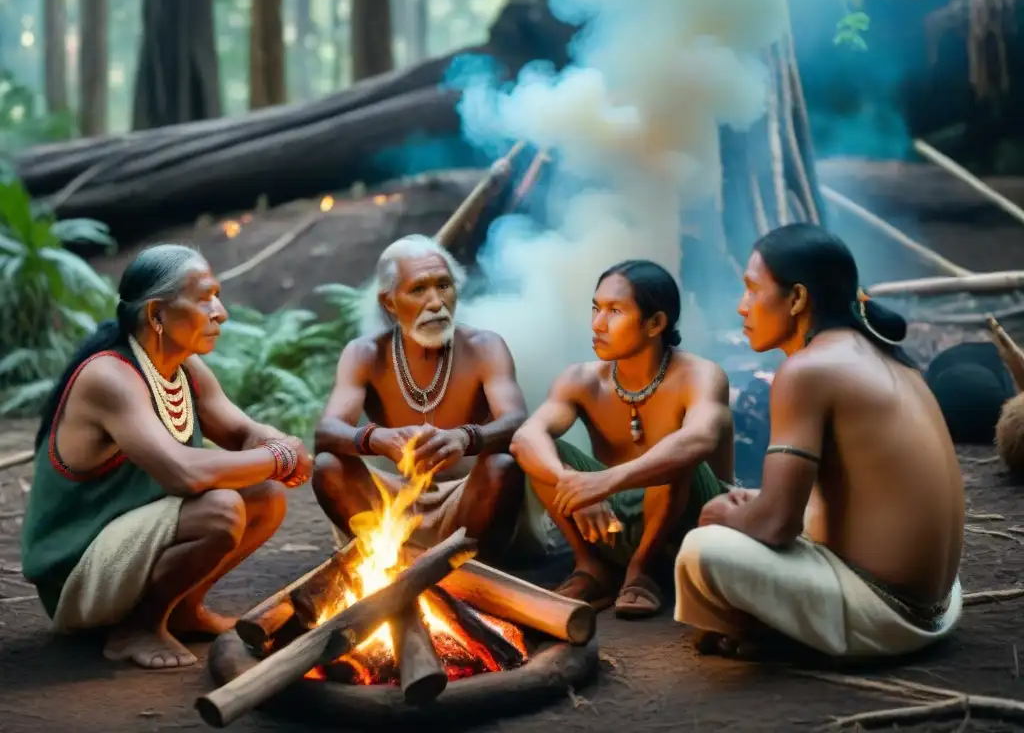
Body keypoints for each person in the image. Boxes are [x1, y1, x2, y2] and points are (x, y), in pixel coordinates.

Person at [675, 224, 964, 660]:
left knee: (702, 547)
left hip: (887, 614)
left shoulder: (806, 370)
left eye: (752, 290)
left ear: (797, 299)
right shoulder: (885, 354)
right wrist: (756, 504)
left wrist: (720, 514)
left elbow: (777, 525)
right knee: (751, 502)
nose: (741, 307)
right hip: (940, 606)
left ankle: (771, 635)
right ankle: (773, 626)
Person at [20, 245, 312, 670]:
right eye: (205, 298)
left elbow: (242, 432)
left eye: (218, 296)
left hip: (125, 547)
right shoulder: (109, 377)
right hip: (75, 573)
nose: (221, 312)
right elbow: (184, 473)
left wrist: (282, 444)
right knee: (222, 510)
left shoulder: (183, 369)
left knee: (265, 495)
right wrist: (278, 457)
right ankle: (136, 629)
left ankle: (181, 611)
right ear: (157, 315)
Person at [510, 259, 734, 619]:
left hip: (694, 529)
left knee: (675, 452)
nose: (598, 324)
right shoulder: (582, 379)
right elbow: (526, 437)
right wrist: (569, 482)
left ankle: (640, 572)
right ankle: (590, 566)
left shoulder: (701, 375)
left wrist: (602, 482)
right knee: (544, 452)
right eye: (596, 308)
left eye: (615, 311)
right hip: (612, 522)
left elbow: (699, 439)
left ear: (656, 323)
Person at [312, 235, 527, 558]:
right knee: (328, 466)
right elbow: (327, 433)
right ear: (389, 302)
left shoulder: (484, 346)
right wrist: (379, 439)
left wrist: (464, 438)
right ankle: (392, 562)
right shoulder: (365, 353)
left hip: (468, 497)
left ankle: (470, 571)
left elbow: (517, 422)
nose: (436, 302)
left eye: (444, 286)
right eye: (418, 289)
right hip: (395, 499)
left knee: (502, 466)